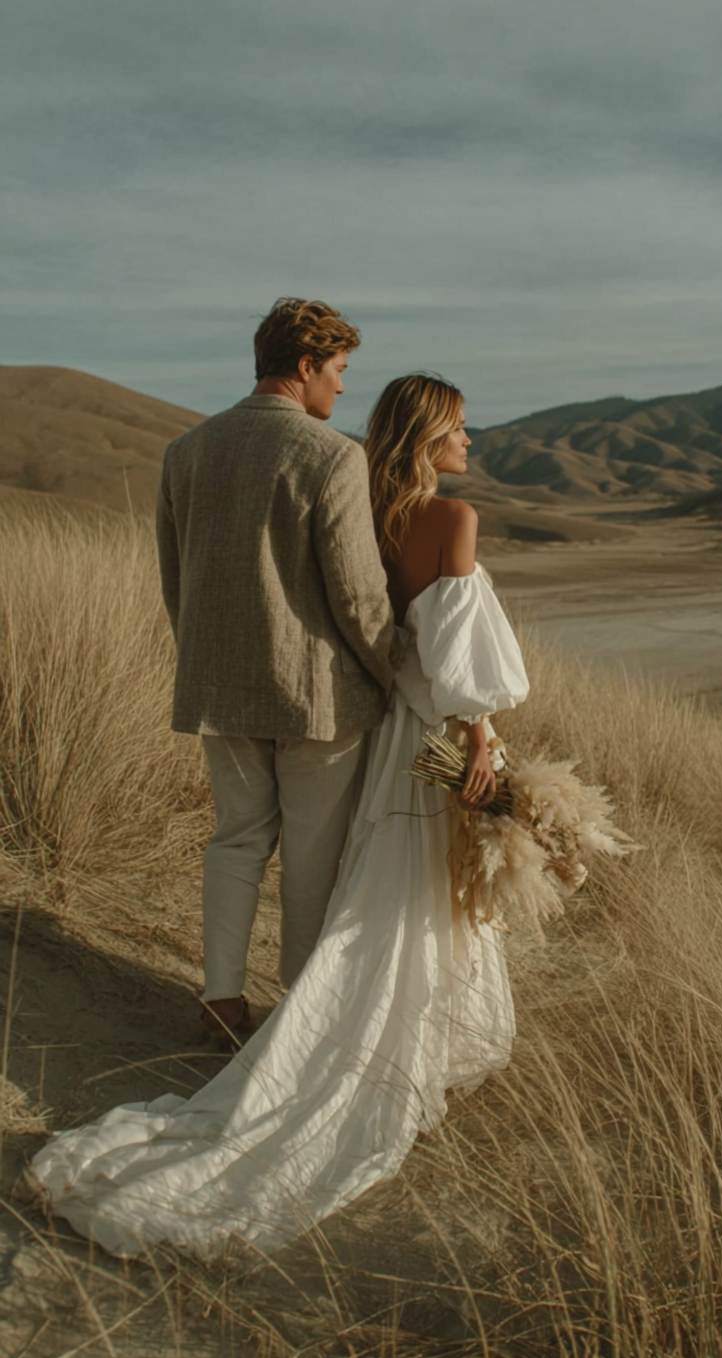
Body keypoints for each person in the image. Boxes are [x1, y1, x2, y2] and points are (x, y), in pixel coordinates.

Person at [29, 374, 530, 1258]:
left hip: (384, 739)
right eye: (459, 429)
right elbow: (454, 661)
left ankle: (266, 1009)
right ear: (428, 436)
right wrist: (482, 739)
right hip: (432, 735)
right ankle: (354, 1035)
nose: (470, 442)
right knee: (400, 894)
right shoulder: (454, 520)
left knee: (359, 880)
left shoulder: (375, 516)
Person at [154, 298, 401, 1040]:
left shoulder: (186, 451)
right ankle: (300, 1019)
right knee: (311, 859)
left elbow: (176, 580)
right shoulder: (332, 456)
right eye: (339, 370)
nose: (343, 388)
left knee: (235, 840)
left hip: (218, 686)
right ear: (305, 366)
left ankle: (221, 1000)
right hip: (316, 697)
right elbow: (358, 594)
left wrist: (205, 657)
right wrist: (398, 677)